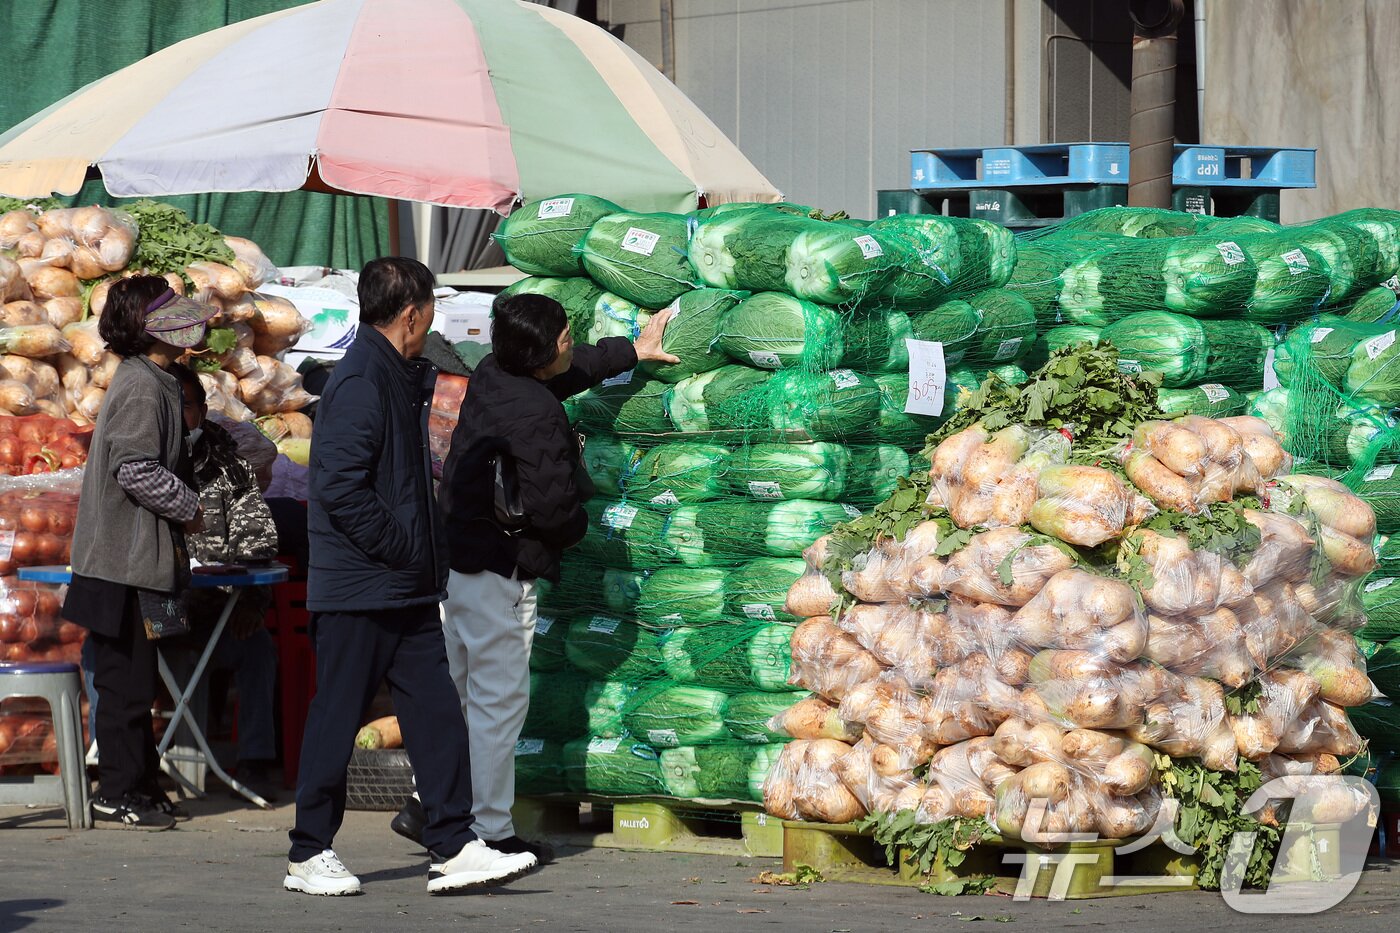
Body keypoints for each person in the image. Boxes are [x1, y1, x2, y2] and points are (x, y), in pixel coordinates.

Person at [286, 257, 537, 897]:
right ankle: (308, 851)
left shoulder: (399, 374)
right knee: (336, 717)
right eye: (429, 311)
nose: (430, 322)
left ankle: (452, 843)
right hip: (363, 586)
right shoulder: (362, 381)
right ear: (412, 313)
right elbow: (338, 487)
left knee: (438, 714)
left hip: (407, 587)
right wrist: (401, 547)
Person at [403, 293, 675, 857]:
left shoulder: (495, 373)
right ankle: (490, 831)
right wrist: (580, 530)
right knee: (498, 703)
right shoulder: (536, 413)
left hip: (456, 561)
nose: (571, 341)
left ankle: (428, 804)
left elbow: (566, 374)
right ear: (543, 352)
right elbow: (553, 510)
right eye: (565, 336)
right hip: (499, 569)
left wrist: (630, 351)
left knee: (456, 692)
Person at [63, 276, 216, 830]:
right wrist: (188, 507)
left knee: (135, 683)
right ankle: (119, 792)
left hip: (132, 559)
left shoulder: (159, 378)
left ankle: (140, 785)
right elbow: (135, 469)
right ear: (151, 326)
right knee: (124, 685)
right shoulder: (142, 385)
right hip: (119, 562)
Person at [167, 363, 281, 800]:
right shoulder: (138, 463)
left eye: (189, 406)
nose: (180, 416)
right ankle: (123, 766)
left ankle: (254, 762)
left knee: (258, 649)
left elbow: (258, 539)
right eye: (170, 405)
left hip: (218, 614)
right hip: (157, 616)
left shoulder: (228, 466)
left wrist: (253, 602)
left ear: (202, 411)